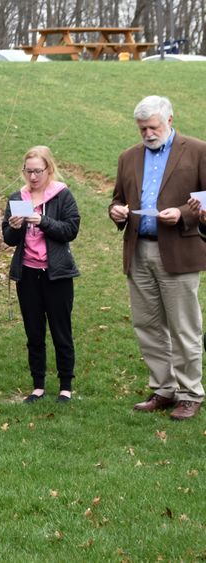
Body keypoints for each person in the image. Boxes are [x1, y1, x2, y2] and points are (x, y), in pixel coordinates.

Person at [109, 95, 206, 421]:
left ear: (170, 120)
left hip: (178, 249)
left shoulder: (196, 150)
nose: (148, 133)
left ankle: (190, 393)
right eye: (142, 129)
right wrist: (117, 212)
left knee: (183, 327)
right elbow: (117, 199)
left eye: (153, 127)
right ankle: (163, 388)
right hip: (139, 249)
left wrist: (180, 214)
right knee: (148, 325)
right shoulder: (128, 157)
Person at [2, 146, 80, 403]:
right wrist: (15, 227)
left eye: (38, 171)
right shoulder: (18, 197)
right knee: (34, 333)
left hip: (56, 275)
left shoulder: (62, 195)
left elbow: (71, 229)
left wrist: (42, 221)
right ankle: (38, 385)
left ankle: (65, 386)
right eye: (28, 171)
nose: (33, 176)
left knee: (61, 331)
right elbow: (9, 238)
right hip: (28, 275)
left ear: (49, 169)